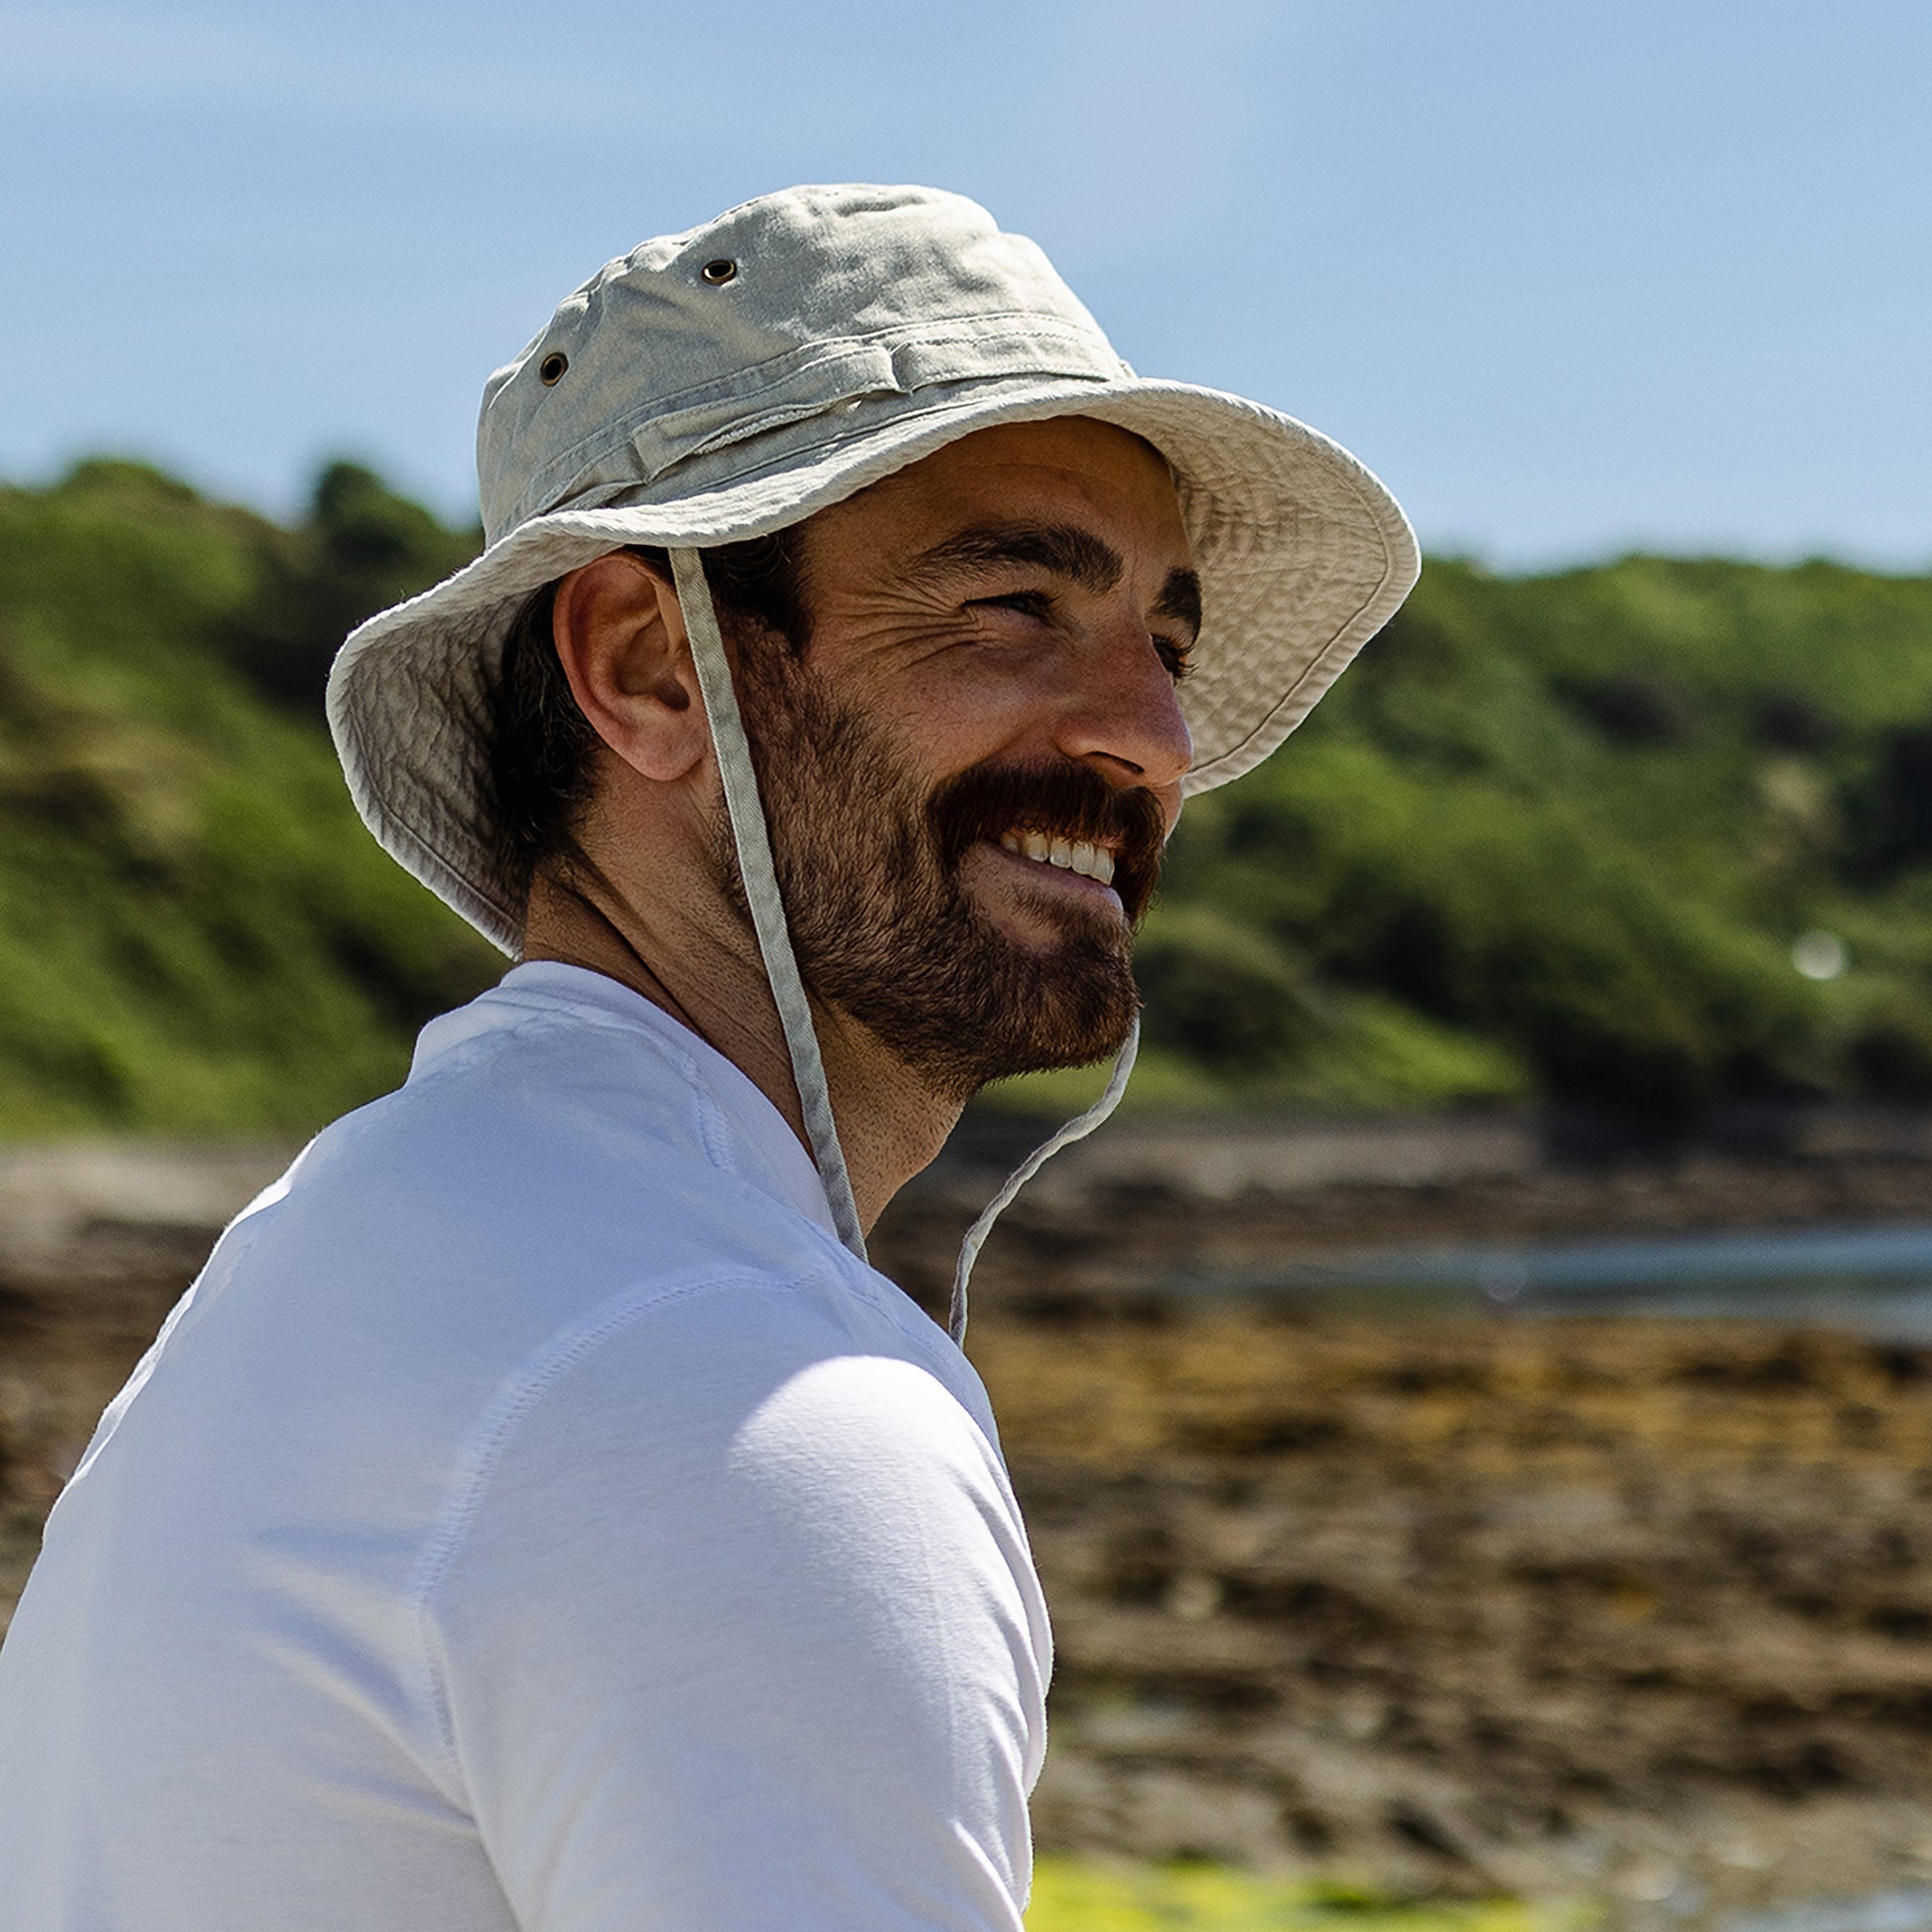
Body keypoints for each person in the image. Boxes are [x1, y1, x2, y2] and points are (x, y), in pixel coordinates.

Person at [0, 184, 1417, 1930]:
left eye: (1167, 643)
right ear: (648, 665)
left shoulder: (361, 1244)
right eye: (1011, 605)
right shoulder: (727, 1394)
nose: (1151, 735)